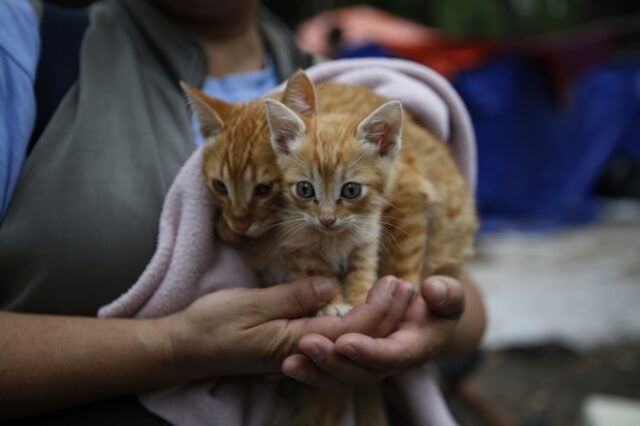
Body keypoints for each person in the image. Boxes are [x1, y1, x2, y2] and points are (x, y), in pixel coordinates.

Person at [0, 0, 486, 423]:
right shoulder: (27, 43)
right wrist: (173, 348)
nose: (236, 219)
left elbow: (465, 305)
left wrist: (425, 328)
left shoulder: (337, 88)